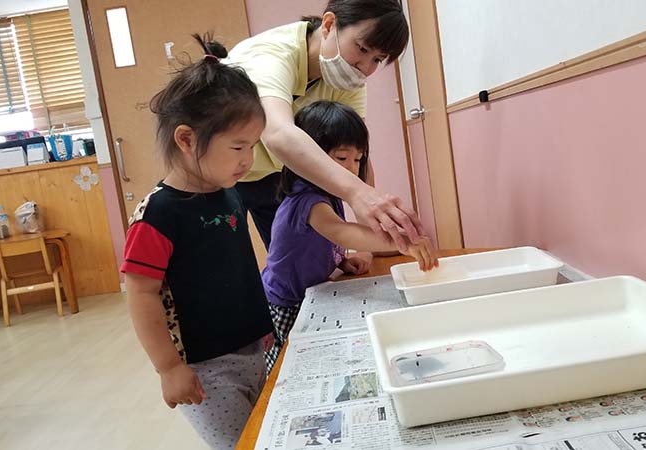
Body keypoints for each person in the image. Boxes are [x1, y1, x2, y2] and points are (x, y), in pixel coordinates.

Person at [121, 34, 273, 449]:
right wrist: (168, 368)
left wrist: (260, 325)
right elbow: (141, 294)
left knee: (266, 433)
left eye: (253, 146)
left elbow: (238, 266)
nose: (248, 159)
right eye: (238, 146)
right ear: (186, 139)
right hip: (204, 369)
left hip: (251, 349)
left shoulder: (229, 192)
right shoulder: (158, 214)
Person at [225, 0, 423, 253]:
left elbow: (356, 151)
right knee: (229, 262)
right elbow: (278, 133)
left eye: (377, 59)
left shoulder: (347, 79)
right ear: (329, 25)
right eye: (362, 48)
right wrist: (357, 194)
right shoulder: (271, 56)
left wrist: (372, 238)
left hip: (277, 174)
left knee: (296, 255)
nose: (365, 68)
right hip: (223, 174)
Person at [261, 101, 438, 371]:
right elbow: (341, 233)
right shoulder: (305, 199)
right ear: (311, 158)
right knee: (288, 364)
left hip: (315, 291)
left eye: (357, 159)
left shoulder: (329, 194)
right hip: (287, 302)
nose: (352, 169)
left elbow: (321, 242)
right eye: (342, 158)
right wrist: (401, 241)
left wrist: (341, 261)